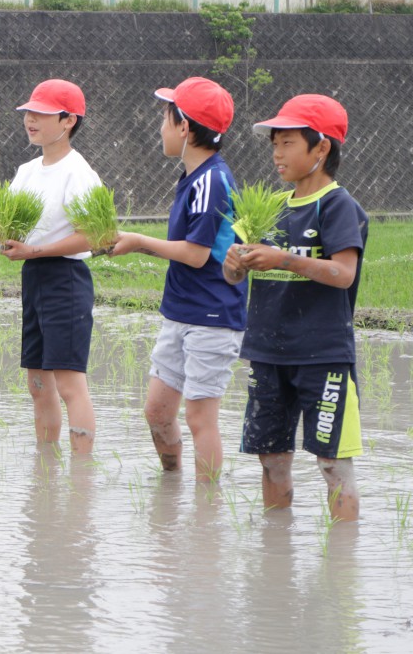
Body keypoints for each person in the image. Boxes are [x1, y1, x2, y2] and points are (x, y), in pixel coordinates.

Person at [224, 94, 365, 522]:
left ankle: (341, 566)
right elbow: (239, 273)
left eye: (287, 143)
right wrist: (234, 266)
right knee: (271, 459)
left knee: (332, 464)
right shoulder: (272, 209)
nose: (277, 154)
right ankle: (276, 558)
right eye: (274, 144)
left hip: (323, 356)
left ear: (321, 148)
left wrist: (283, 258)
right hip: (267, 354)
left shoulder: (338, 206)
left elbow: (343, 273)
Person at [111, 77, 246, 483]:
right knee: (157, 410)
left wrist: (137, 242)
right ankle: (171, 488)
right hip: (181, 311)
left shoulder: (212, 181)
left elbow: (196, 253)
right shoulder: (193, 177)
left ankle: (206, 510)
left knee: (199, 416)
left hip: (213, 315)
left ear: (185, 127)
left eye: (166, 119)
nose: (161, 128)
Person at [0, 79, 101, 453]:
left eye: (41, 114)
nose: (30, 120)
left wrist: (35, 250)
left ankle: (81, 478)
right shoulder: (27, 171)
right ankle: (45, 469)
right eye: (29, 113)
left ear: (68, 121)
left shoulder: (79, 173)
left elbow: (92, 238)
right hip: (35, 279)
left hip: (66, 279)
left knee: (68, 383)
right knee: (38, 382)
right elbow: (2, 219)